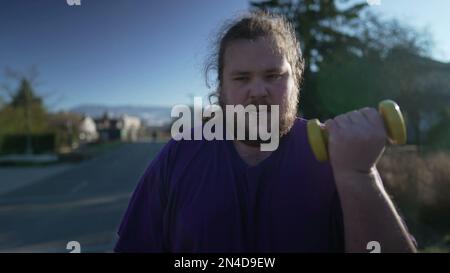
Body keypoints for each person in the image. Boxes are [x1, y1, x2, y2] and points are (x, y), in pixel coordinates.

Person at [114, 11, 417, 253]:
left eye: (273, 76)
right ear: (221, 89)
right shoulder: (180, 154)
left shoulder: (338, 155)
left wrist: (359, 175)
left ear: (296, 80)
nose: (257, 91)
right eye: (242, 78)